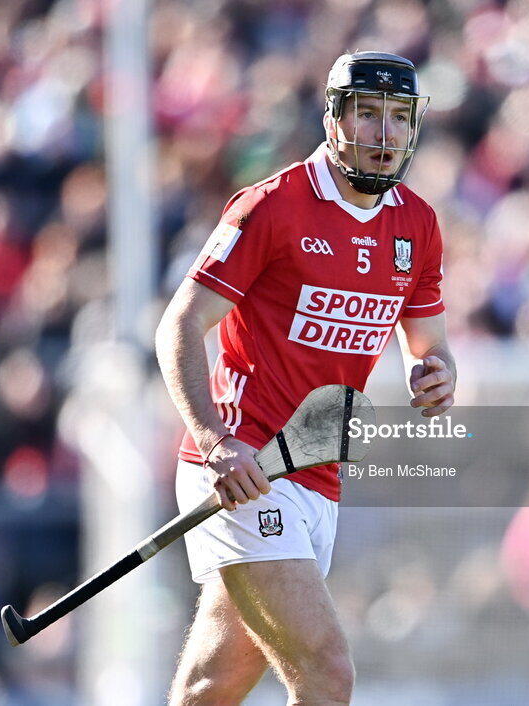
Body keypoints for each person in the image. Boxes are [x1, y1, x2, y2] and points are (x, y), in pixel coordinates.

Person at [156, 51, 456, 705]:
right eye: (368, 114)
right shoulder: (273, 206)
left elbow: (427, 342)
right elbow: (179, 325)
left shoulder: (418, 225)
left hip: (318, 473)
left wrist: (434, 374)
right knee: (326, 671)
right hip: (245, 465)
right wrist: (214, 441)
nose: (384, 134)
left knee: (213, 685)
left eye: (398, 118)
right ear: (334, 119)